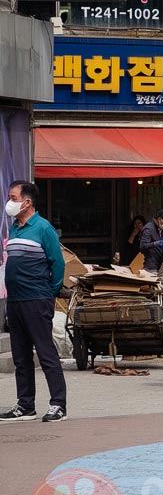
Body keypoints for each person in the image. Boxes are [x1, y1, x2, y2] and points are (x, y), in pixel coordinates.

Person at [1, 181, 68, 423]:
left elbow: (58, 264)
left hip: (37, 300)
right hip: (15, 301)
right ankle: (25, 405)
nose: (9, 202)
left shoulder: (43, 228)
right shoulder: (16, 228)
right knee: (20, 356)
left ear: (27, 202)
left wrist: (50, 291)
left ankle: (58, 404)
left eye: (13, 197)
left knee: (45, 353)